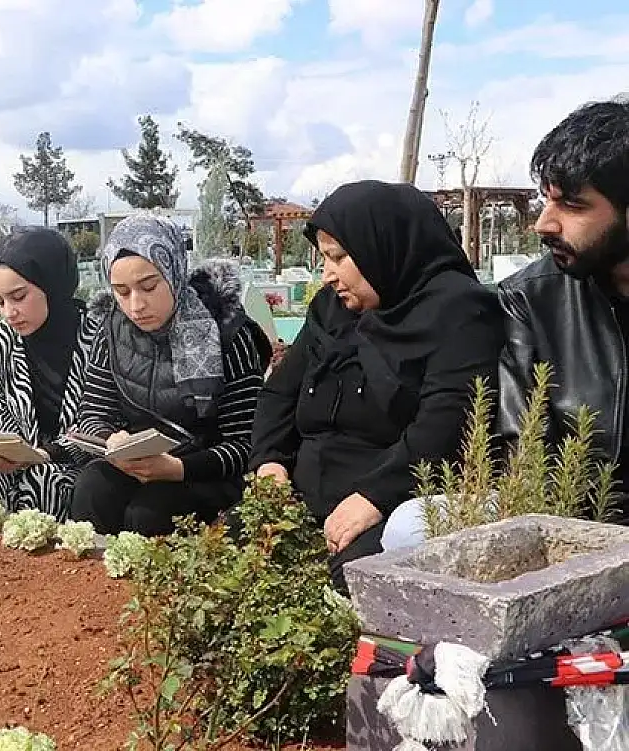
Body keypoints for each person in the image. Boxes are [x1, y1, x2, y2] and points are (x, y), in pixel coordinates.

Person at [247, 181, 504, 592]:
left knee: (349, 583)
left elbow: (448, 421)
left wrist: (374, 497)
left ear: (381, 247)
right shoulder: (331, 309)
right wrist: (270, 462)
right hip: (302, 495)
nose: (328, 274)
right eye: (324, 258)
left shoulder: (459, 312)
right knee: (230, 562)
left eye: (338, 257)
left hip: (392, 504)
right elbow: (280, 392)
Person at [70, 214, 271, 536]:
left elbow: (247, 443)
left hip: (207, 471)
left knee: (151, 511)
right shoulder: (111, 330)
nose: (136, 305)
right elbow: (93, 413)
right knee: (93, 487)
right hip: (138, 464)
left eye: (149, 286)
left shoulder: (228, 332)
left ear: (173, 271)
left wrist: (178, 468)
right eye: (122, 291)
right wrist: (112, 442)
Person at [492, 99, 629, 525]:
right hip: (580, 533)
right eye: (546, 201)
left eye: (572, 204)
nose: (543, 224)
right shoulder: (532, 300)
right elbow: (524, 452)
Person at [0, 228, 99, 519]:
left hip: (81, 463)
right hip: (20, 462)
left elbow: (101, 421)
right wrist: (6, 451)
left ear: (52, 285)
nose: (9, 313)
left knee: (45, 480)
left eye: (19, 297)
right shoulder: (0, 340)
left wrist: (49, 454)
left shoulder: (98, 338)